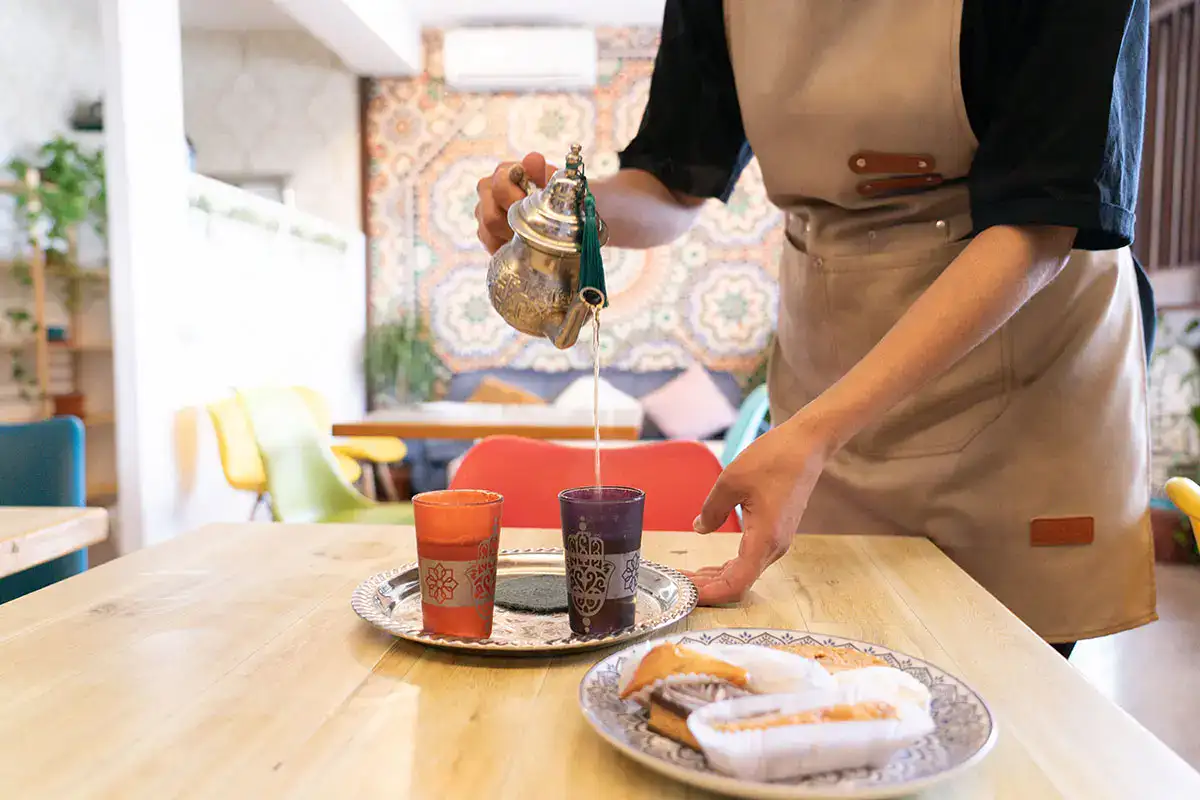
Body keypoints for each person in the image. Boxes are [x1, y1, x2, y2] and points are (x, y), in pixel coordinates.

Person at [474, 0, 1158, 658]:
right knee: (836, 675)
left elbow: (1039, 221)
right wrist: (569, 218)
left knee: (1001, 712)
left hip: (1019, 397)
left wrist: (812, 433)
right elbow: (670, 182)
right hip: (825, 378)